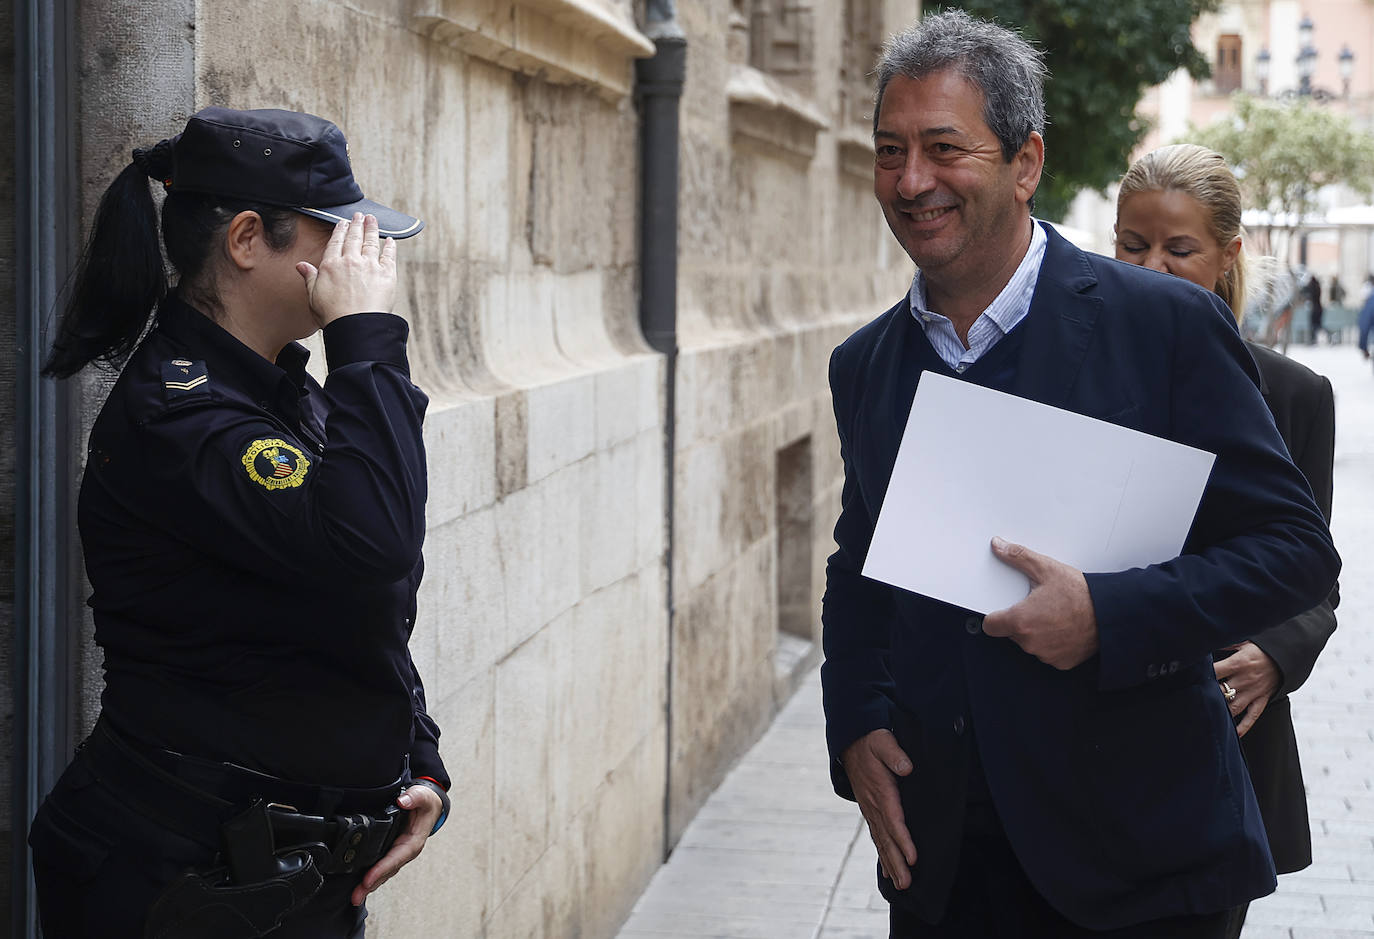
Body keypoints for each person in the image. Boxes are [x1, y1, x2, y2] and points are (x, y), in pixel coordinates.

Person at [822, 12, 1340, 938]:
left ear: (1026, 163)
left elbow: (1297, 555)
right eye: (889, 150)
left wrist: (1108, 615)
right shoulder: (866, 366)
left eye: (944, 148)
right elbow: (859, 566)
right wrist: (855, 726)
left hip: (1139, 867)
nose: (910, 181)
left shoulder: (1165, 327)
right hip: (946, 872)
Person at [29, 107, 449, 938]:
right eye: (331, 233)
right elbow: (370, 546)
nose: (359, 257)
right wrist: (364, 338)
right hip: (178, 874)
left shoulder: (285, 392)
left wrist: (417, 761)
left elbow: (361, 598)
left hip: (288, 876)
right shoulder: (180, 416)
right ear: (248, 239)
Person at [1114, 142, 1339, 939]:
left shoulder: (1294, 394)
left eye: (1180, 249)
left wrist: (1277, 652)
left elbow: (1314, 575)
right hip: (1087, 742)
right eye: (1133, 245)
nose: (1154, 266)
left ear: (1226, 255)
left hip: (1224, 746)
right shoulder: (1070, 378)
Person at [1305, 273, 1324, 343]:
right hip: (1319, 308)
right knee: (1317, 325)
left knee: (1314, 325)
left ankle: (1313, 339)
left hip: (1314, 308)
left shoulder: (1311, 287)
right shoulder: (1317, 286)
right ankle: (1314, 338)